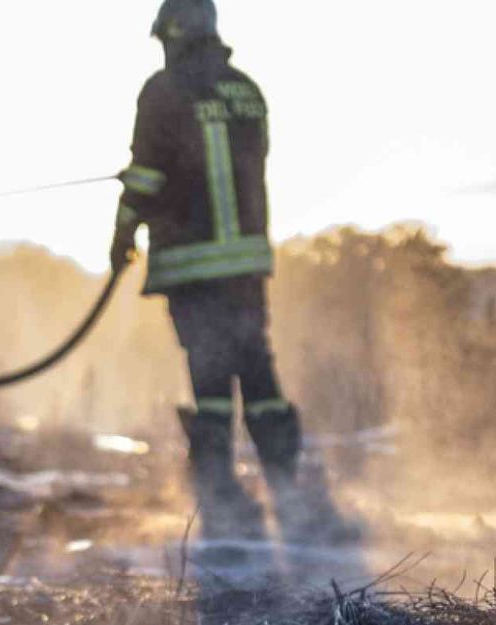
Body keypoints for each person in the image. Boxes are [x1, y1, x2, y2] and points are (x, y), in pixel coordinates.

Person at [110, 0, 359, 546]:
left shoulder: (163, 90)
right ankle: (287, 491)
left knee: (210, 378)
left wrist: (122, 235)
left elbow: (147, 177)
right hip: (246, 264)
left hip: (193, 265)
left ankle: (223, 500)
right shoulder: (247, 89)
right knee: (259, 372)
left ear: (175, 34)